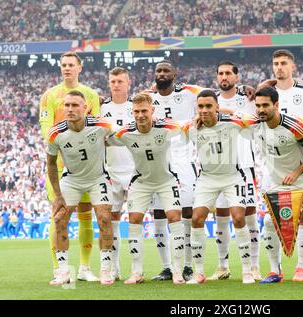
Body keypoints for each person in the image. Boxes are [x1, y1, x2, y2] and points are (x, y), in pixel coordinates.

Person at [244, 87, 303, 285]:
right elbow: (226, 115)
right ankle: (274, 271)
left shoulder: (294, 126)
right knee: (269, 223)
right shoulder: (254, 124)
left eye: (265, 105)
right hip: (278, 182)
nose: (261, 110)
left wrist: (296, 172)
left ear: (276, 105)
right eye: (258, 105)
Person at [109, 93, 186, 285]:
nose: (140, 115)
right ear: (132, 112)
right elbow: (103, 139)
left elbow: (188, 125)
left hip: (166, 180)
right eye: (136, 111)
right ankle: (137, 272)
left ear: (152, 110)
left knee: (175, 218)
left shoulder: (167, 127)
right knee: (134, 220)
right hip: (141, 182)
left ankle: (177, 271)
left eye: (144, 111)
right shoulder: (125, 133)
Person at [258, 49, 303, 281]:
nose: (279, 67)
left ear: (293, 66)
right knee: (268, 220)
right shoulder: (263, 101)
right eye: (276, 63)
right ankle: (276, 270)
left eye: (284, 63)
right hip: (276, 171)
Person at [39, 51, 100, 282]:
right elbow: (46, 128)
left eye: (71, 65)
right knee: (58, 215)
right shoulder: (49, 96)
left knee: (86, 216)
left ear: (79, 67)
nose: (67, 68)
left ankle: (84, 269)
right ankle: (60, 269)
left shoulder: (91, 95)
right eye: (63, 65)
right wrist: (64, 143)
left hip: (85, 166)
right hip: (61, 165)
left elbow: (96, 126)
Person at [142, 60, 203, 281]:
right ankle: (167, 267)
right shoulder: (146, 97)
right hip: (158, 160)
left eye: (166, 70)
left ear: (174, 74)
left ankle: (187, 265)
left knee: (187, 212)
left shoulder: (189, 94)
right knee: (159, 213)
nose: (162, 74)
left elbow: (214, 95)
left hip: (184, 159)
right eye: (158, 71)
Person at [46, 90, 115, 286]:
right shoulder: (55, 132)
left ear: (85, 108)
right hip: (72, 180)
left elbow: (121, 133)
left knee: (104, 218)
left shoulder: (101, 124)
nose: (70, 109)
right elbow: (51, 164)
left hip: (98, 178)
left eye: (75, 105)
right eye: (67, 105)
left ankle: (105, 270)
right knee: (59, 219)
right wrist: (58, 195)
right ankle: (63, 271)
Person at [185, 90, 254, 285]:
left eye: (209, 106)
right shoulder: (192, 127)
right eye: (201, 107)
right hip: (207, 178)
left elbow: (250, 120)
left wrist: (226, 110)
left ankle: (247, 270)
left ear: (217, 106)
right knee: (197, 218)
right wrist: (195, 118)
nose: (204, 110)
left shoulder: (231, 122)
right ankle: (199, 273)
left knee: (239, 217)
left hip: (233, 176)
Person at [208, 60, 261, 281]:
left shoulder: (248, 98)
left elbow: (253, 120)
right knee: (221, 215)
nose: (224, 77)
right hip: (219, 166)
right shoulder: (211, 102)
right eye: (220, 73)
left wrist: (253, 90)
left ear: (236, 76)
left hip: (244, 164)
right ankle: (222, 266)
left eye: (228, 73)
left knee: (248, 214)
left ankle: (255, 265)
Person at [101, 67, 135, 280]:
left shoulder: (136, 106)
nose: (116, 85)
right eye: (113, 81)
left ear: (128, 82)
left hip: (134, 171)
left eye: (120, 81)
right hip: (111, 171)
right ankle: (113, 268)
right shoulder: (102, 108)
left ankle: (136, 268)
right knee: (111, 219)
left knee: (134, 219)